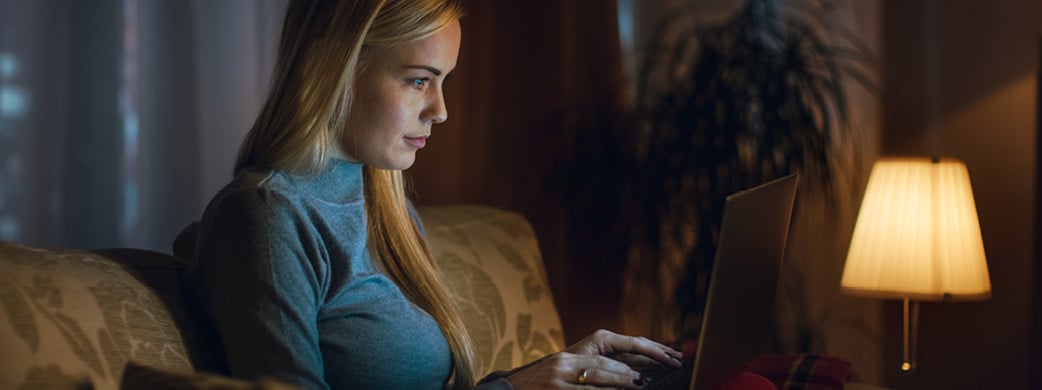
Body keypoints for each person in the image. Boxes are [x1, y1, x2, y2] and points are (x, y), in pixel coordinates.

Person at [184, 0, 683, 388]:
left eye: (442, 82)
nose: (441, 110)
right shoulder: (266, 215)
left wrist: (556, 372)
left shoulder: (384, 202)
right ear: (333, 68)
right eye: (419, 80)